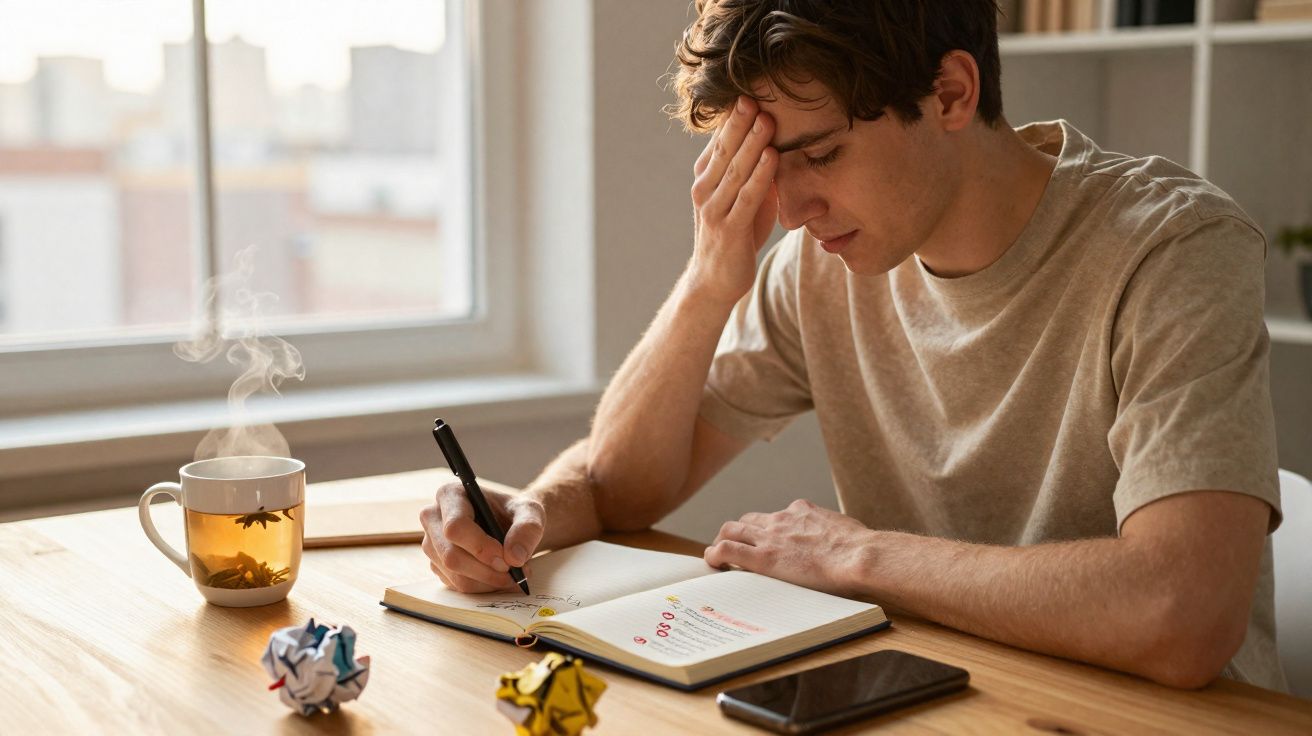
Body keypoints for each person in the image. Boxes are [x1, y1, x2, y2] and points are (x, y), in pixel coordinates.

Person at [419, 0, 1286, 692]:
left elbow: (1182, 615)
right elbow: (624, 486)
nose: (789, 211)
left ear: (950, 93)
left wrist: (857, 556)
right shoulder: (816, 266)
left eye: (820, 154)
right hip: (940, 696)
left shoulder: (1172, 247)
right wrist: (709, 282)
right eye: (766, 166)